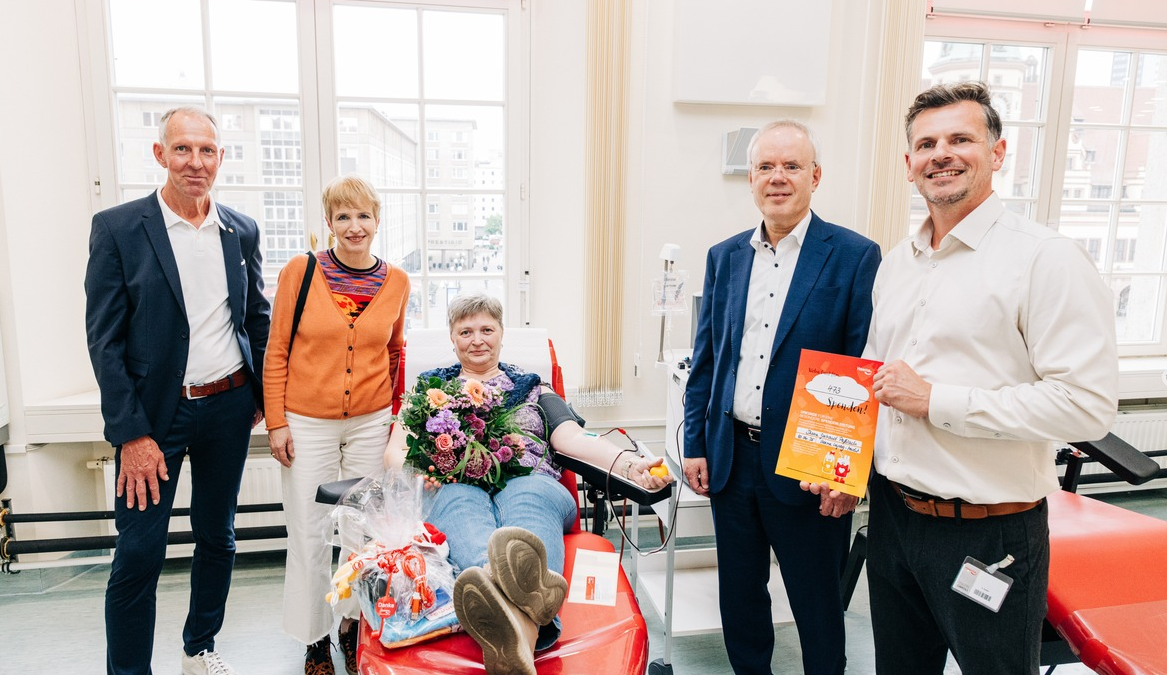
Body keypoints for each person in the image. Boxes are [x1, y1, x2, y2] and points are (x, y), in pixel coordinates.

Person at [862, 81, 1118, 675]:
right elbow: (878, 379)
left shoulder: (1045, 259)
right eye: (927, 143)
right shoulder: (898, 263)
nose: (941, 154)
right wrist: (844, 467)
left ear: (998, 153)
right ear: (908, 165)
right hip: (895, 519)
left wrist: (937, 401)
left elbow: (1085, 407)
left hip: (989, 533)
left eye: (961, 139)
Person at [383, 292, 672, 675]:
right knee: (457, 499)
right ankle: (527, 628)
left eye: (487, 329)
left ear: (502, 334)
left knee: (526, 493)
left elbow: (572, 439)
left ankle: (504, 608)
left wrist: (628, 463)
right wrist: (422, 467)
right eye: (465, 331)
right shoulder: (427, 391)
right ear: (452, 339)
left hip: (534, 482)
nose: (477, 339)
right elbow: (395, 453)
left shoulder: (534, 387)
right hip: (456, 486)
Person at [682, 120, 881, 675]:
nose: (778, 177)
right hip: (731, 458)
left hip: (810, 461)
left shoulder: (854, 255)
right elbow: (707, 360)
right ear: (750, 179)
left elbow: (860, 368)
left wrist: (846, 476)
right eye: (766, 167)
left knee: (817, 603)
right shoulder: (725, 256)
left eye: (791, 166)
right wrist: (694, 444)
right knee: (740, 597)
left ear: (815, 177)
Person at [84, 105, 271, 675]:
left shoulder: (240, 230)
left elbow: (256, 318)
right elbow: (104, 341)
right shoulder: (119, 228)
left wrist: (265, 400)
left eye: (207, 150)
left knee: (218, 538)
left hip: (228, 407)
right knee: (139, 552)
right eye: (183, 149)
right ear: (160, 154)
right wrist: (132, 433)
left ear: (220, 158)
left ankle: (199, 649)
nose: (196, 162)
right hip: (153, 420)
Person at [262, 174, 409, 674]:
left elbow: (394, 352)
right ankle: (313, 640)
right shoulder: (299, 273)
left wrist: (391, 418)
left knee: (363, 531)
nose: (353, 226)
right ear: (328, 223)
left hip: (371, 421)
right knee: (309, 531)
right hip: (306, 424)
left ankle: (353, 626)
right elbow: (276, 350)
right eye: (342, 216)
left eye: (363, 215)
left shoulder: (397, 282)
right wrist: (277, 421)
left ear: (377, 221)